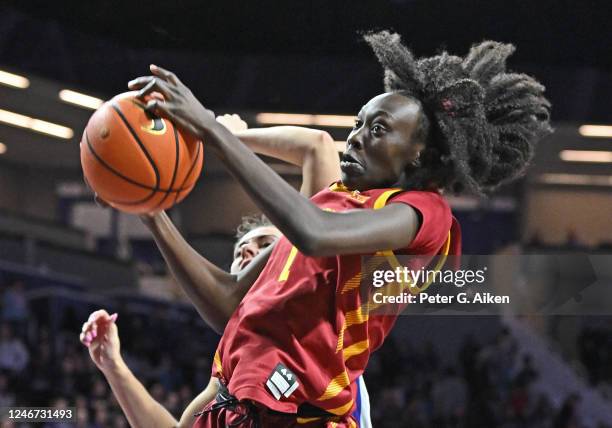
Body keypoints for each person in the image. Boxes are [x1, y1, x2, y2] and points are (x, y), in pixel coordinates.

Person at [124, 30, 551, 426]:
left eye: (378, 129)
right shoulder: (329, 203)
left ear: (419, 155)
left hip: (303, 415)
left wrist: (215, 131)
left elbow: (315, 232)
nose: (356, 137)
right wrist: (152, 212)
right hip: (239, 408)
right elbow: (229, 302)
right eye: (358, 124)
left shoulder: (424, 214)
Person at [81, 116, 373, 427]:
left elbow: (317, 147)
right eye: (239, 253)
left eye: (263, 243)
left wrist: (229, 138)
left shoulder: (317, 286)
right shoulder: (232, 366)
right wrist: (114, 366)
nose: (248, 251)